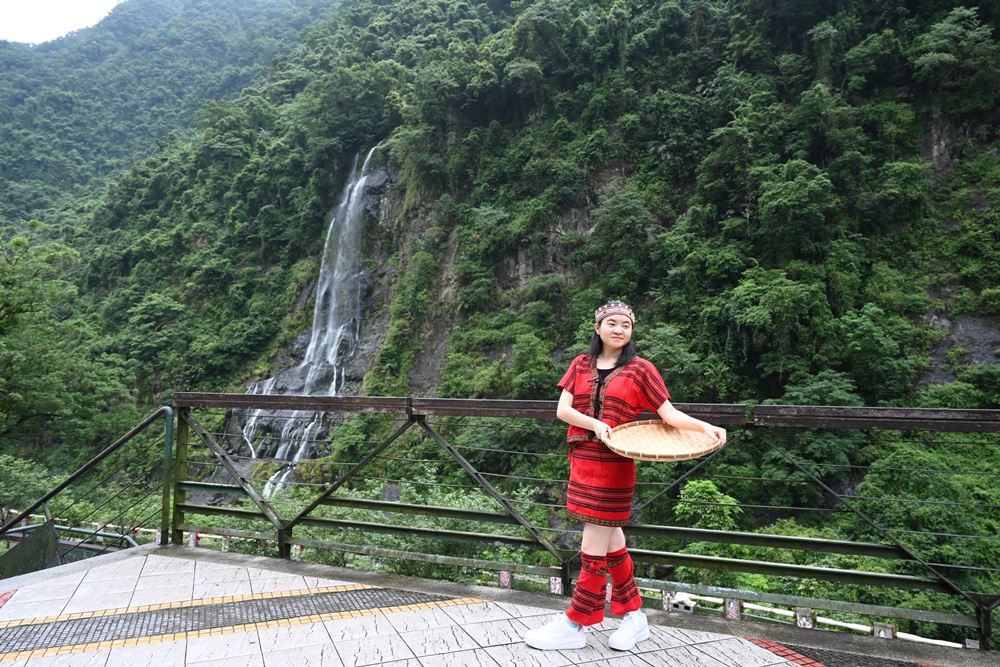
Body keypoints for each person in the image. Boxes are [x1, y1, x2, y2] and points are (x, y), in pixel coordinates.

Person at [524, 300, 727, 651]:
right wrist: (597, 424)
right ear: (597, 326)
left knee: (592, 547)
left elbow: (669, 414)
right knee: (612, 541)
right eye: (612, 323)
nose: (619, 330)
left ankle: (576, 622)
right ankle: (634, 615)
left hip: (616, 463)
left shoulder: (641, 369)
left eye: (626, 325)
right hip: (583, 458)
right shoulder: (580, 364)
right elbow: (563, 411)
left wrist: (705, 426)